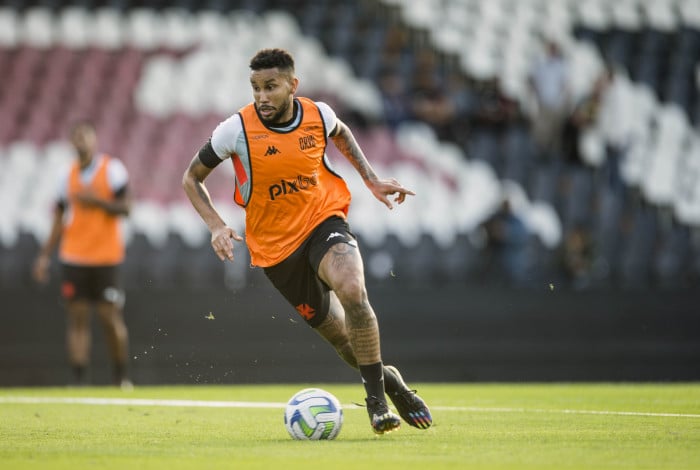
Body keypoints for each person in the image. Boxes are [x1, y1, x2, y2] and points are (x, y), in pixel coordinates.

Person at [182, 48, 432, 435]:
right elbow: (191, 178)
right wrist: (216, 225)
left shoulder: (318, 114)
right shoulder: (236, 130)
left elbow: (342, 133)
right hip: (276, 249)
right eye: (255, 88)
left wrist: (370, 178)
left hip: (323, 220)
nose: (261, 96)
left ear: (292, 85)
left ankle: (376, 402)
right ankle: (392, 383)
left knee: (352, 290)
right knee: (344, 340)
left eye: (270, 86)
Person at [33, 121, 132, 389]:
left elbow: (127, 208)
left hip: (106, 257)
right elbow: (58, 218)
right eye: (75, 137)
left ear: (94, 140)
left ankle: (120, 377)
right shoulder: (65, 176)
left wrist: (97, 202)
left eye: (84, 136)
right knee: (77, 319)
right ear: (71, 143)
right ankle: (79, 380)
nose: (80, 142)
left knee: (110, 318)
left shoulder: (112, 170)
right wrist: (44, 256)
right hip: (74, 256)